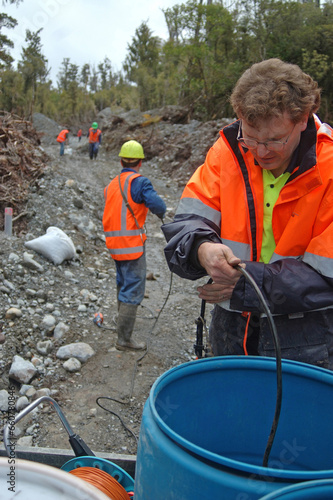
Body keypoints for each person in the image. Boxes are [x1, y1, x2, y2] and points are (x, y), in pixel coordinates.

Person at [162, 58, 333, 369]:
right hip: (231, 328)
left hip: (308, 340)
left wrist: (246, 284)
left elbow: (327, 275)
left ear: (304, 119)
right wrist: (203, 249)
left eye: (274, 140)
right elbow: (187, 222)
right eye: (250, 137)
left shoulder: (330, 166)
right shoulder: (227, 150)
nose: (261, 151)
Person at [103, 140, 167, 351]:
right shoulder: (139, 182)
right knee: (133, 289)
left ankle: (122, 325)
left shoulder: (112, 184)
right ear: (140, 162)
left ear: (121, 161)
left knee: (122, 283)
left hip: (114, 245)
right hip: (132, 246)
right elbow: (158, 205)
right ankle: (124, 339)